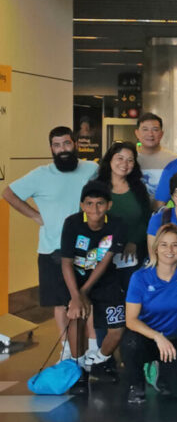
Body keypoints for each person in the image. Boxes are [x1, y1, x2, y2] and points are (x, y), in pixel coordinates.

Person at [3, 126, 98, 359]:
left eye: (66, 143)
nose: (62, 149)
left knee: (90, 301)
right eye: (57, 145)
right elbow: (8, 193)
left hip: (87, 248)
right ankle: (67, 350)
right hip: (51, 249)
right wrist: (35, 216)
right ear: (51, 149)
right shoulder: (40, 174)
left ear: (75, 143)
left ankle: (93, 351)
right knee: (61, 304)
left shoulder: (93, 169)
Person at [60, 180, 125, 393]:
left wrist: (84, 292)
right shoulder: (72, 223)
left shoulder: (116, 224)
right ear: (82, 205)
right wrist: (76, 296)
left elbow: (105, 262)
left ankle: (98, 363)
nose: (95, 209)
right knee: (75, 316)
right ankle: (79, 370)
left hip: (105, 281)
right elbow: (66, 262)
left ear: (109, 205)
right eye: (89, 203)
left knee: (117, 328)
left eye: (100, 203)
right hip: (74, 280)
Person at [123, 224, 177, 403]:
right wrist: (158, 337)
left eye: (175, 245)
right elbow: (131, 320)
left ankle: (161, 373)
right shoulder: (140, 278)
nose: (169, 250)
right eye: (163, 245)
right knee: (131, 343)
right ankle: (136, 384)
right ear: (155, 249)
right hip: (149, 338)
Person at [97, 141, 154, 284]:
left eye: (130, 160)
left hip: (133, 254)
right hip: (101, 254)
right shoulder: (96, 187)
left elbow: (147, 218)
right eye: (120, 158)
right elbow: (86, 219)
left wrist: (133, 241)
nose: (125, 163)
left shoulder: (138, 188)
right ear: (110, 159)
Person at [134, 112, 177, 196]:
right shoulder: (130, 160)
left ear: (161, 134)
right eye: (145, 129)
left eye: (155, 129)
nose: (150, 134)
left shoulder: (174, 160)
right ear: (137, 133)